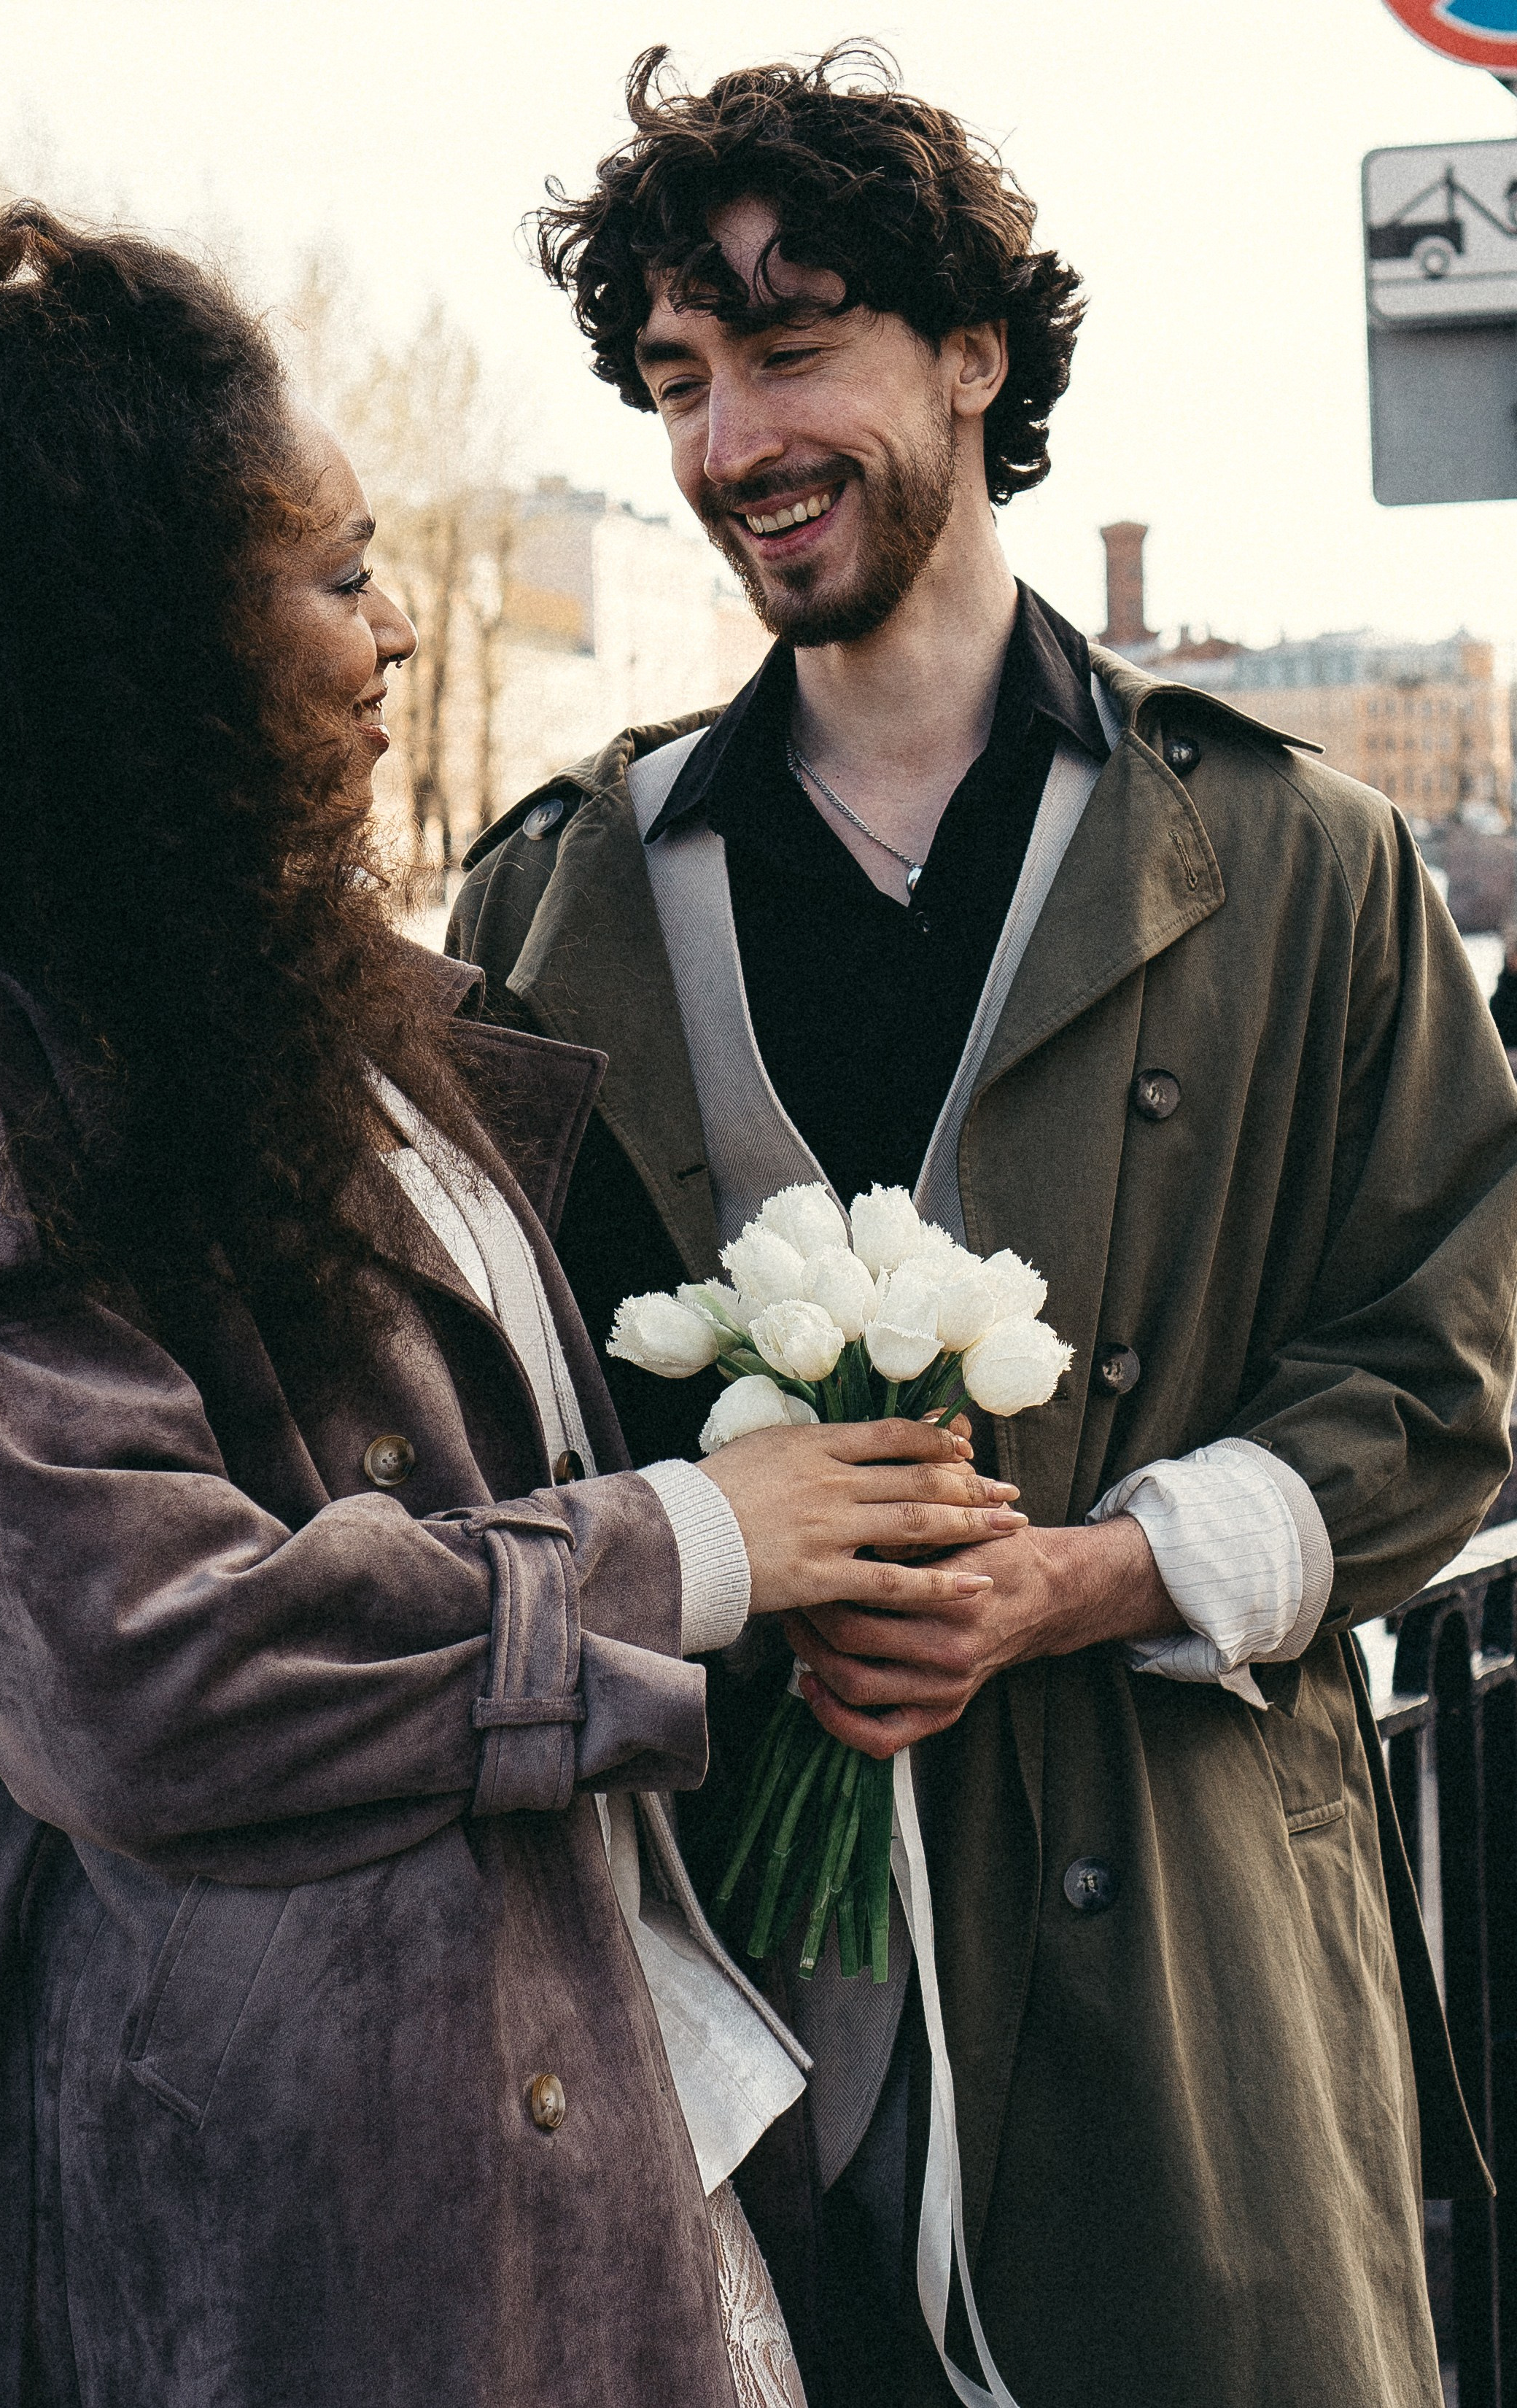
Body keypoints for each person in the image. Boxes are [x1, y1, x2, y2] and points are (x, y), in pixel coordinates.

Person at [450, 44, 1517, 2408]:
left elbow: (1445, 1383)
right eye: (677, 379)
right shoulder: (547, 896)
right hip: (698, 2004)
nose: (732, 442)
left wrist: (1091, 1575)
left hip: (1184, 2012)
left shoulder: (1304, 864)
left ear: (974, 354)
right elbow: (457, 1441)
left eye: (792, 344)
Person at [0, 195, 1027, 2408]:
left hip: (542, 2107)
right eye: (333, 577)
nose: (394, 632)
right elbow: (139, 1672)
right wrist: (708, 1545)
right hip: (298, 2216)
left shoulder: (300, 1007)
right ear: (147, 646)